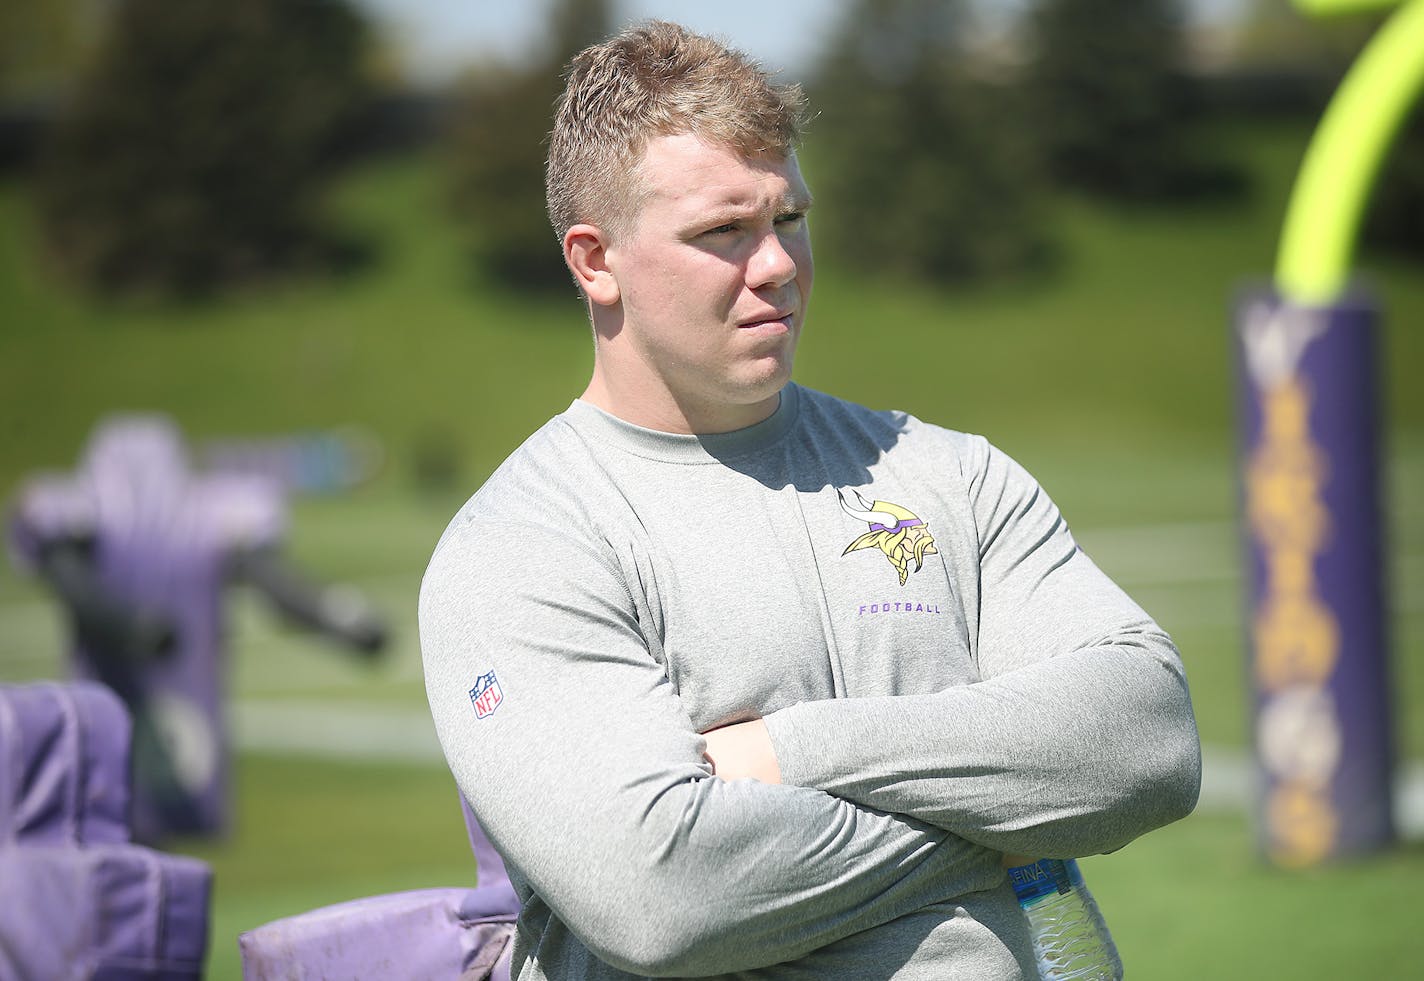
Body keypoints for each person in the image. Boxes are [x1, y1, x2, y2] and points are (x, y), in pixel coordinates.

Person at [420, 20, 1200, 980]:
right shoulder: (524, 544)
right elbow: (662, 895)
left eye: (788, 218)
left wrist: (795, 751)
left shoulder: (949, 472)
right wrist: (1008, 825)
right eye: (723, 232)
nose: (779, 265)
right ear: (595, 260)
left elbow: (1149, 740)